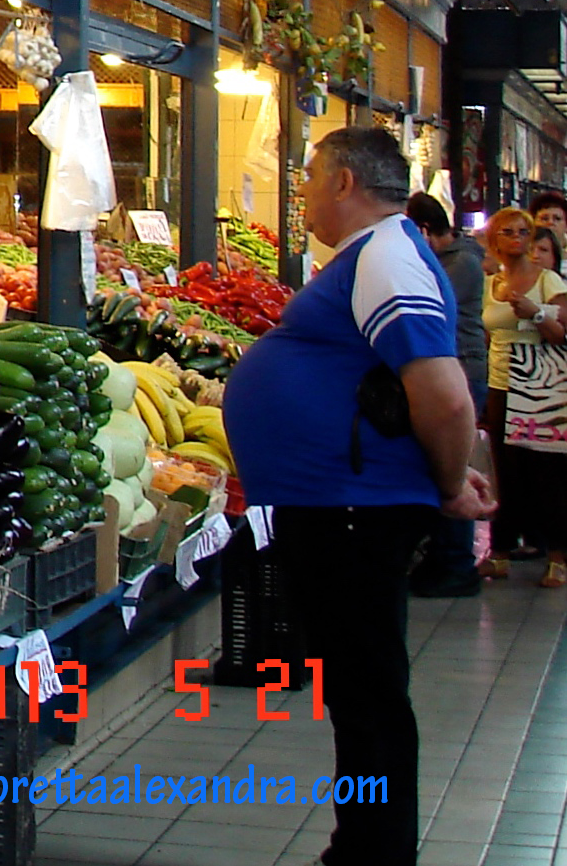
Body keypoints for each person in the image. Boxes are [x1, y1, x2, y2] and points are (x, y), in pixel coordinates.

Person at [224, 126, 490, 866]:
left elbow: (445, 394)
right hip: (341, 503)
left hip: (352, 509)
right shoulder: (374, 255)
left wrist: (448, 484)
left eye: (310, 175)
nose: (303, 191)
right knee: (358, 690)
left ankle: (373, 853)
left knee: (368, 693)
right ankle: (363, 845)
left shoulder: (388, 257)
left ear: (344, 182)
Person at [411, 192, 487, 596]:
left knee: (453, 461)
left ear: (424, 230)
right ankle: (444, 556)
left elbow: (431, 309)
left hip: (462, 371)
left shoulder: (460, 264)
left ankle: (456, 563)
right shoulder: (450, 260)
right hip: (452, 369)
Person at [488, 207, 567, 586]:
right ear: (494, 240)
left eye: (523, 231)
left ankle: (557, 557)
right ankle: (500, 552)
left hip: (540, 385)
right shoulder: (490, 284)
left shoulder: (547, 280)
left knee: (545, 474)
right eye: (508, 231)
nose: (517, 238)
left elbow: (561, 333)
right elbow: (486, 331)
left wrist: (535, 313)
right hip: (500, 384)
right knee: (506, 473)